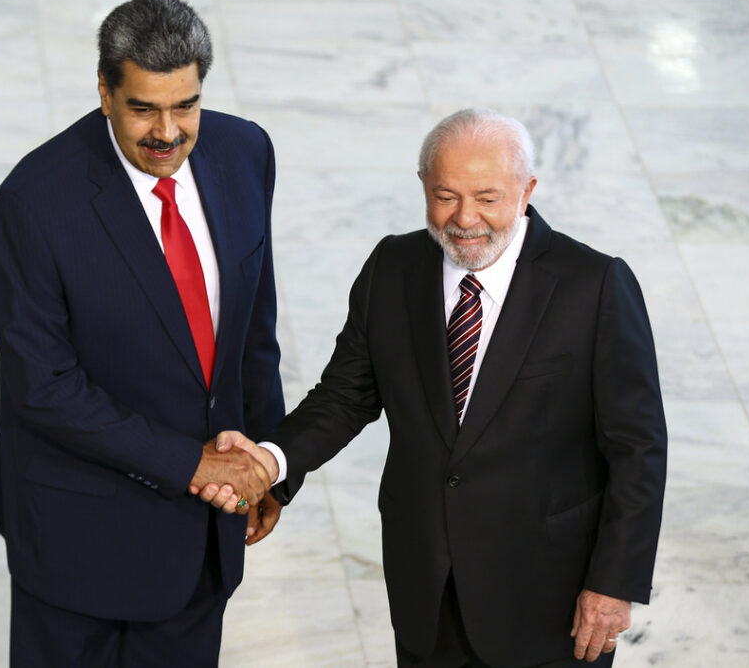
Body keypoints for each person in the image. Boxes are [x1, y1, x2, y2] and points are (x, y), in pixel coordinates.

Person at [208, 109, 668, 667]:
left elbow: (638, 449)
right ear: (423, 185)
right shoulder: (393, 267)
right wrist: (271, 464)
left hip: (551, 598)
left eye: (488, 198)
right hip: (426, 587)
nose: (465, 218)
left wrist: (613, 583)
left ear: (527, 191)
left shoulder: (592, 286)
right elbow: (345, 395)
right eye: (445, 196)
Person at [0, 0, 284, 666]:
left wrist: (266, 463)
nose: (168, 131)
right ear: (105, 92)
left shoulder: (244, 152)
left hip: (203, 534)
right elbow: (45, 388)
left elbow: (253, 330)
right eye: (144, 107)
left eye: (186, 105)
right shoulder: (33, 204)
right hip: (78, 543)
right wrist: (195, 462)